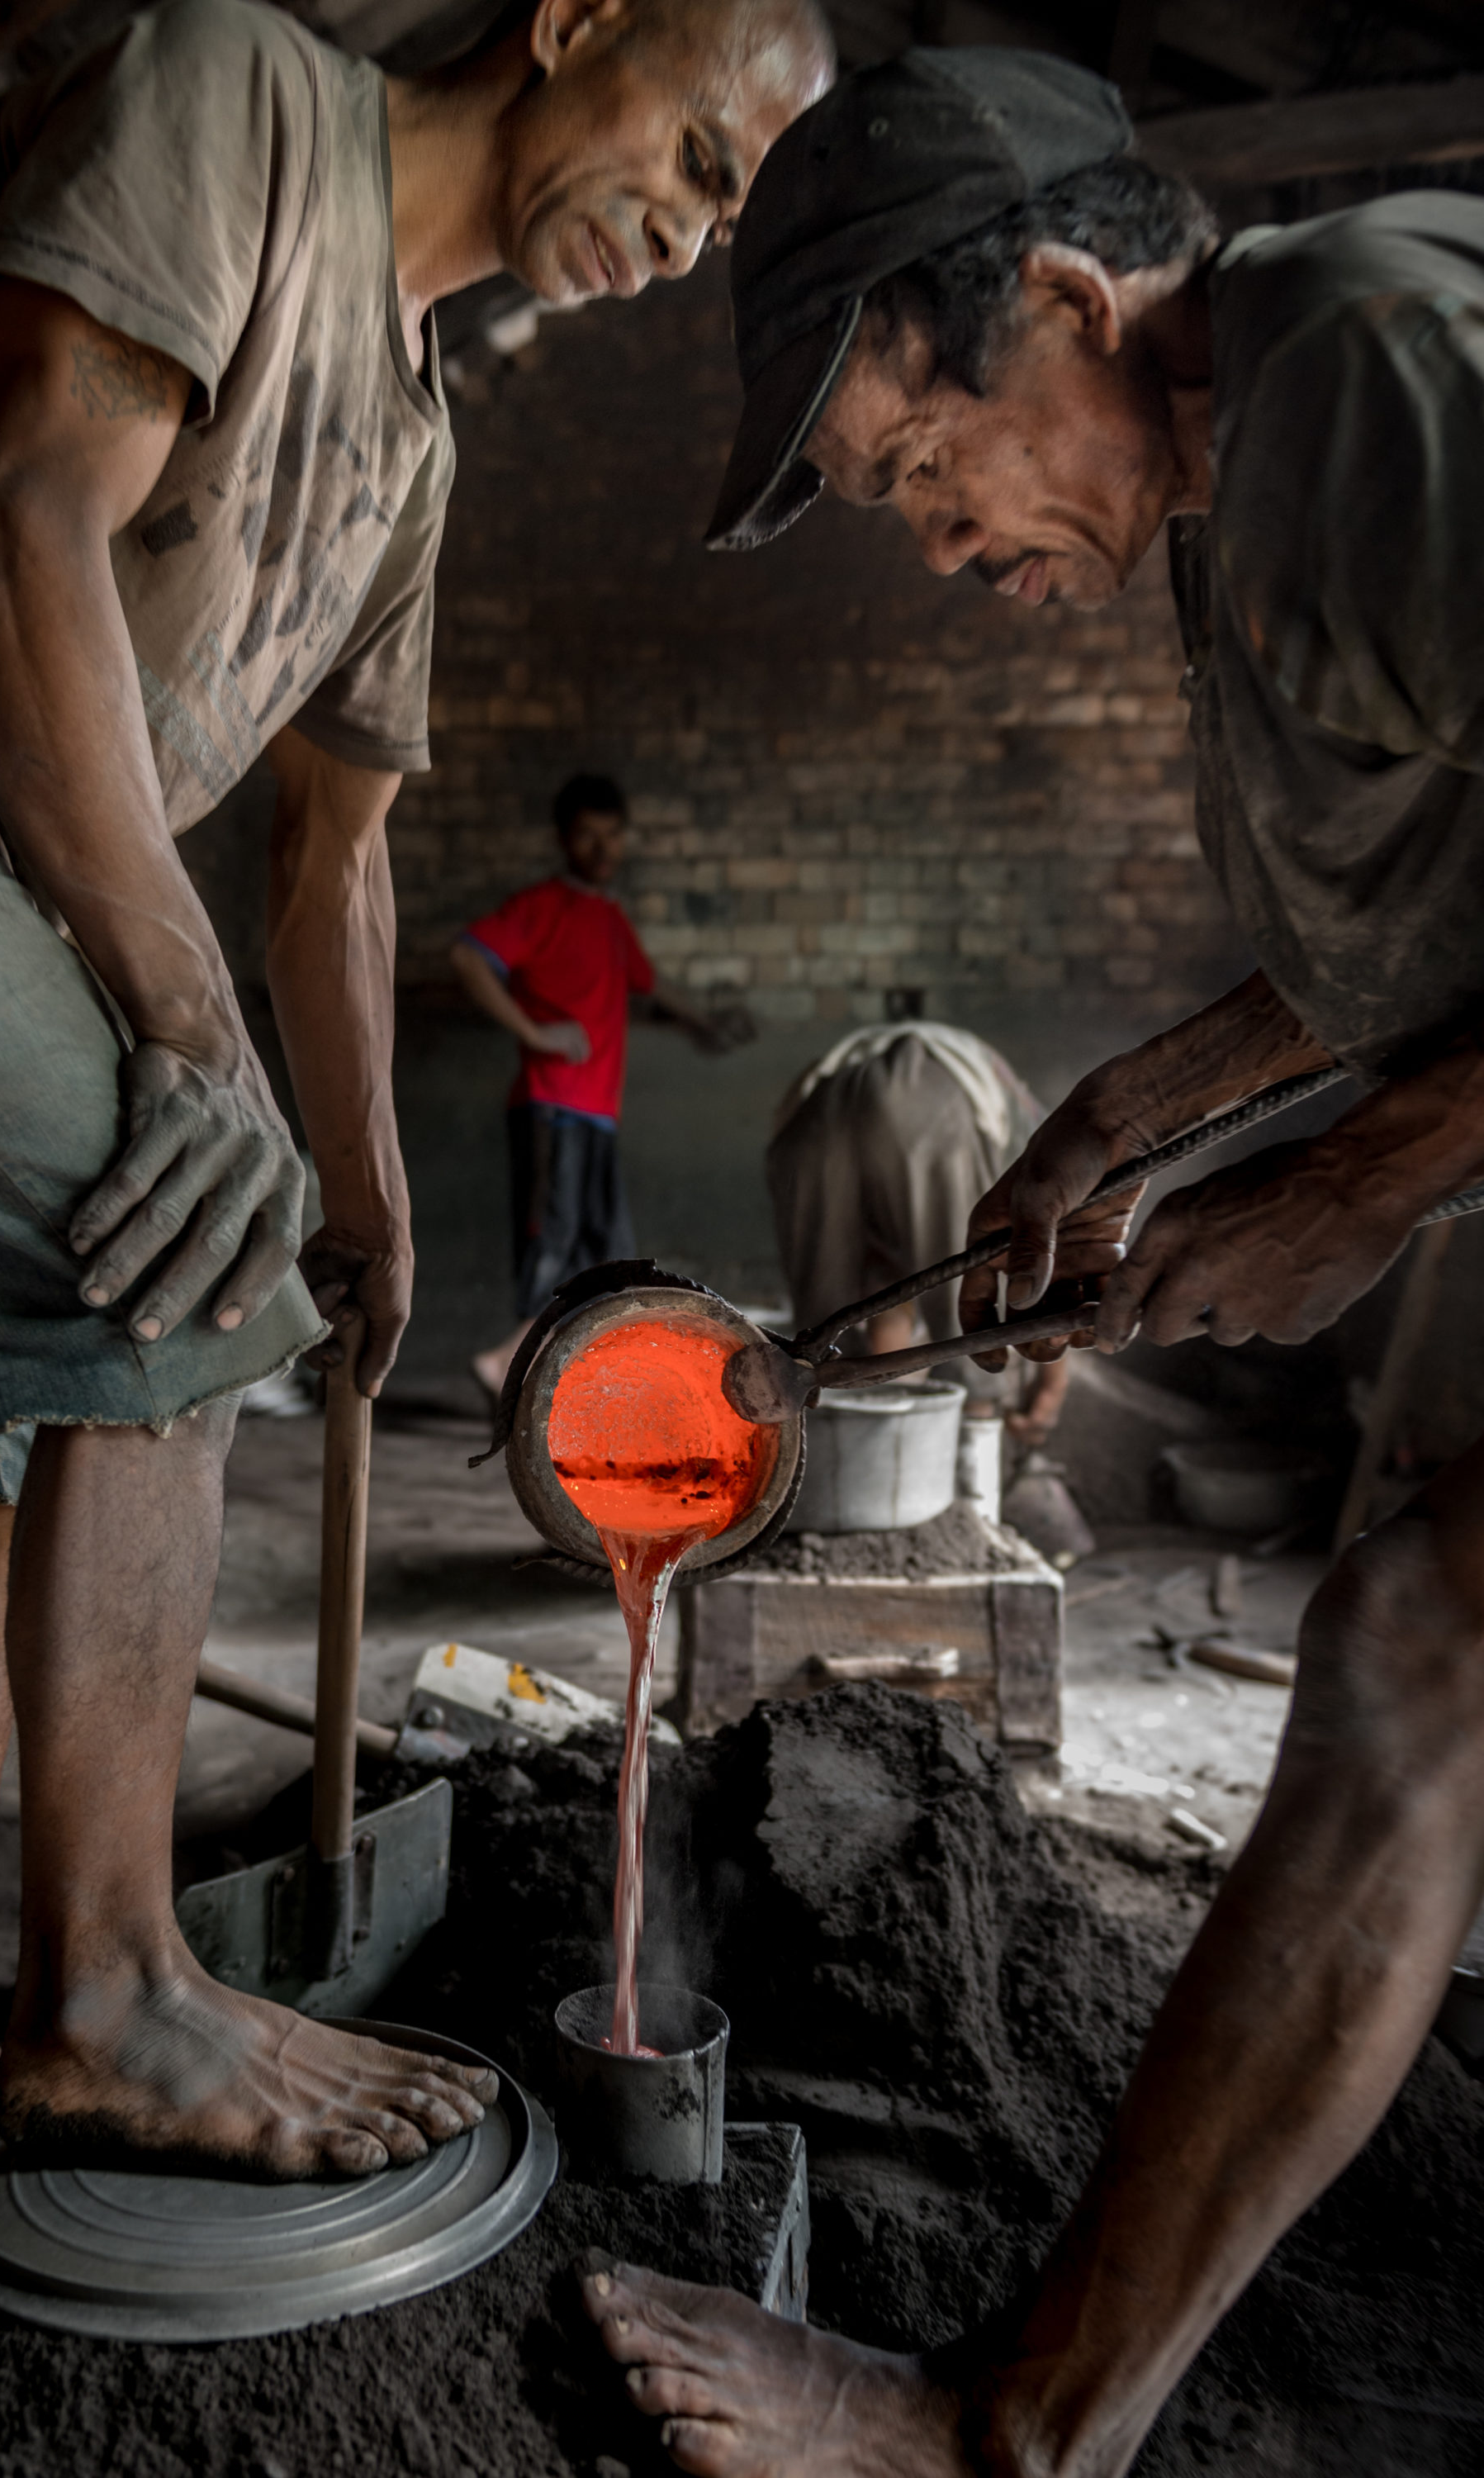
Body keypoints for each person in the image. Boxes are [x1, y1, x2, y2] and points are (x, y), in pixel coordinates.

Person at [583, 46, 1484, 2477]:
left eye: (913, 467)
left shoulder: (1379, 367)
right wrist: (1144, 1110)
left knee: (1414, 1663)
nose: (934, 543)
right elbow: (1418, 890)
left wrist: (1357, 1185)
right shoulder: (1258, 465)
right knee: (1415, 1664)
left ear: (1072, 301)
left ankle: (1019, 2434)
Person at [0, 0, 835, 2167]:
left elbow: (339, 855)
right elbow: (24, 515)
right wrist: (197, 1052)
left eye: (724, 217)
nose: (691, 234)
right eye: (703, 152)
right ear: (577, 23)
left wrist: (363, 1177)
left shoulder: (412, 441)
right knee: (185, 1260)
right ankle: (103, 1993)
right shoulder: (233, 93)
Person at [454, 771, 754, 1396]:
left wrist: (704, 1023)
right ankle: (507, 1368)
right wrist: (535, 1035)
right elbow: (468, 958)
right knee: (552, 1252)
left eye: (612, 836)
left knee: (610, 1256)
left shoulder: (610, 919)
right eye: (588, 837)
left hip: (597, 1117)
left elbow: (650, 986)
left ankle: (547, 1376)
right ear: (565, 840)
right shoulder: (541, 907)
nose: (602, 850)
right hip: (551, 1109)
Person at [766, 1018, 1068, 1449]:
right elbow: (1053, 1240)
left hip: (813, 1114)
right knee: (974, 1312)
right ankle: (974, 1462)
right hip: (931, 1106)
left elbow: (890, 1292)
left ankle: (841, 1460)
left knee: (825, 1342)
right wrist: (1052, 1386)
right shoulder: (1035, 1122)